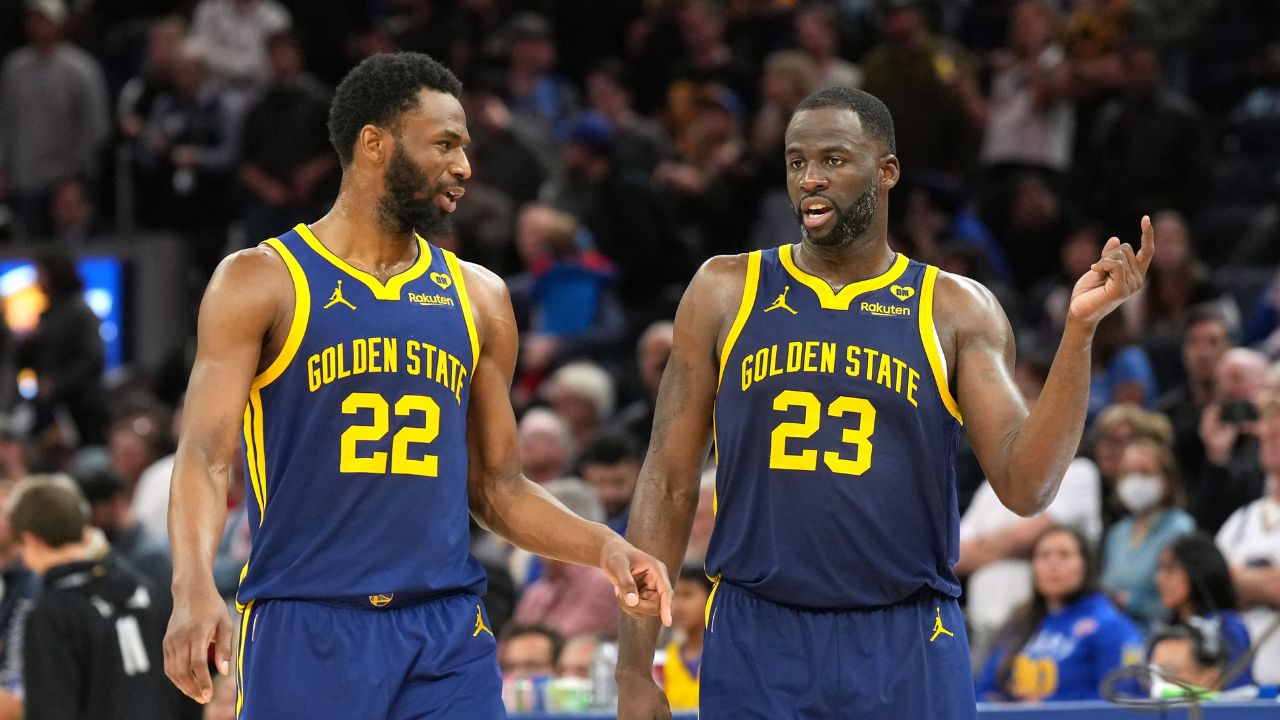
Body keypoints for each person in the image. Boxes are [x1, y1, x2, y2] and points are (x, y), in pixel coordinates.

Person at [615, 86, 1155, 719]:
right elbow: (669, 483)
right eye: (796, 162)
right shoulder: (724, 290)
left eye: (835, 159)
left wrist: (1079, 334)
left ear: (887, 170)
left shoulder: (956, 308)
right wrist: (634, 666)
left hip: (907, 635)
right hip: (758, 633)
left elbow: (1027, 486)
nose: (811, 179)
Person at [163, 52, 672, 719]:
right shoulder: (262, 280)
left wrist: (603, 544)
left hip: (445, 632)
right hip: (307, 623)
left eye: (465, 147)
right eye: (444, 144)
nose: (463, 166)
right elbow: (204, 454)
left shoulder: (480, 297)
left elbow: (497, 487)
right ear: (373, 143)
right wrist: (193, 585)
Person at [12, 475, 201, 720]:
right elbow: (192, 692)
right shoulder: (150, 587)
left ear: (30, 540)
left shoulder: (52, 613)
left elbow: (50, 710)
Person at [976, 526, 1143, 702]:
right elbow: (982, 692)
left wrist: (1045, 706)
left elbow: (1122, 700)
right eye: (1044, 555)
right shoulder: (1017, 624)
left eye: (1064, 554)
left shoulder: (1111, 626)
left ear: (1086, 564)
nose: (1053, 564)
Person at [1215, 377, 1280, 685]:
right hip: (1242, 685)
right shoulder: (1242, 520)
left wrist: (1236, 577)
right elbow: (1209, 590)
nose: (1271, 436)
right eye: (1268, 431)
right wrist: (1263, 581)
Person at [1100, 438, 1195, 629]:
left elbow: (1183, 600)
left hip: (1160, 635)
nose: (1135, 481)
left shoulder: (1179, 528)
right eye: (1127, 473)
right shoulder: (1117, 532)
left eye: (1145, 472)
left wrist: (1130, 602)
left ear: (1167, 481)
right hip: (1116, 632)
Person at [1154, 532, 1254, 689]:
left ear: (1198, 572)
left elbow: (1239, 693)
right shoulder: (1161, 629)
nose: (1159, 578)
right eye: (1159, 569)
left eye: (1170, 569)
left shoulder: (1227, 627)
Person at [662, 565, 713, 712]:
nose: (677, 607)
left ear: (711, 597)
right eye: (673, 596)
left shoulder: (726, 654)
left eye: (687, 595)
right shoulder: (668, 656)